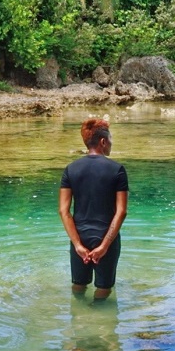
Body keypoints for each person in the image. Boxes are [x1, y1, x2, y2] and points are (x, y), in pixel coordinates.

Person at [59, 118, 129, 300]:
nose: (111, 143)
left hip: (79, 236)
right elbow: (121, 211)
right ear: (103, 142)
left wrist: (78, 245)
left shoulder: (70, 169)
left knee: (78, 285)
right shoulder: (117, 170)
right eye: (110, 139)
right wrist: (104, 246)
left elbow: (64, 211)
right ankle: (97, 315)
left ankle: (79, 314)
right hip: (106, 236)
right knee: (104, 288)